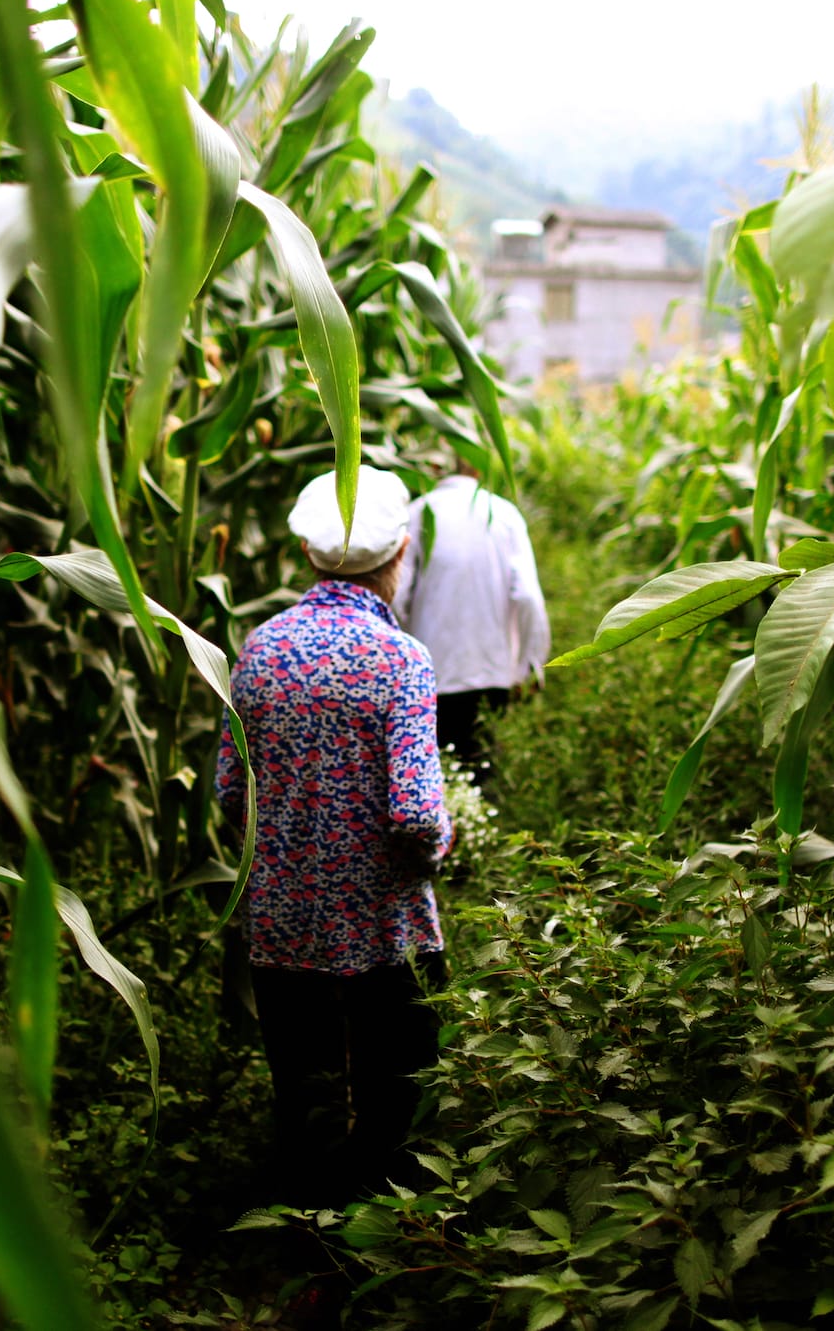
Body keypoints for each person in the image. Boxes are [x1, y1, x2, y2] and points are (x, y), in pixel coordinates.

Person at [215, 465, 453, 1206]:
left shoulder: (260, 650)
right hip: (385, 924)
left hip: (282, 920)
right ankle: (384, 1232)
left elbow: (230, 792)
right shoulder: (400, 661)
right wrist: (435, 852)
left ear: (308, 554)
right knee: (399, 1097)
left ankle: (307, 1222)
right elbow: (415, 815)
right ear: (400, 554)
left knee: (305, 1090)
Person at [394, 459, 551, 775]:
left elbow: (397, 597)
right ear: (478, 469)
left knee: (436, 775)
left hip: (432, 673)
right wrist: (530, 665)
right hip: (493, 670)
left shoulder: (417, 512)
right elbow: (528, 596)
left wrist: (405, 654)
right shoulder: (503, 513)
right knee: (482, 770)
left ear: (434, 469)